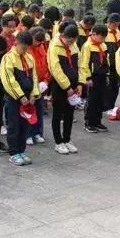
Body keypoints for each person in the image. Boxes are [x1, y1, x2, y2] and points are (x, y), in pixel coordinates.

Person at [0, 31, 38, 166]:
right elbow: (8, 80)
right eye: (23, 47)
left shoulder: (29, 57)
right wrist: (20, 96)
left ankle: (22, 150)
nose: (25, 50)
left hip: (28, 98)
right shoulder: (8, 58)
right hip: (14, 98)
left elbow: (34, 77)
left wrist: (34, 94)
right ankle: (13, 153)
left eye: (28, 47)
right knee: (14, 125)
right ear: (17, 43)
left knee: (25, 125)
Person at [48, 23, 81, 154]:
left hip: (73, 86)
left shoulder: (74, 46)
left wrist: (80, 83)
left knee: (69, 113)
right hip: (59, 86)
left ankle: (67, 139)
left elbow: (80, 65)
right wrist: (67, 87)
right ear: (62, 35)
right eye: (68, 41)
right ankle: (58, 142)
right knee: (58, 113)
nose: (70, 44)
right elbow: (55, 69)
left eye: (73, 41)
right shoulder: (54, 46)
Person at [80, 24, 109, 133]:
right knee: (91, 100)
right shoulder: (87, 45)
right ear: (94, 34)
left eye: (104, 37)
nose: (103, 39)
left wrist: (107, 74)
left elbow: (106, 61)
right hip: (92, 77)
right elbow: (84, 63)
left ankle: (97, 121)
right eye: (101, 37)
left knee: (100, 99)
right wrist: (87, 78)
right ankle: (89, 122)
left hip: (102, 75)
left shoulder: (103, 45)